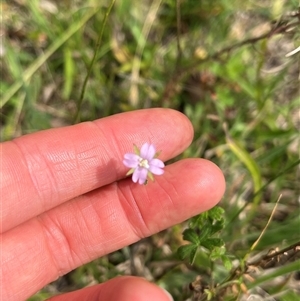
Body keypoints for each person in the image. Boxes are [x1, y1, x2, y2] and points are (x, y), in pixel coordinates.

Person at [1, 108, 225, 301]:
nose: (143, 162)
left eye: (145, 162)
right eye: (141, 161)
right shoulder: (139, 162)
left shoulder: (146, 165)